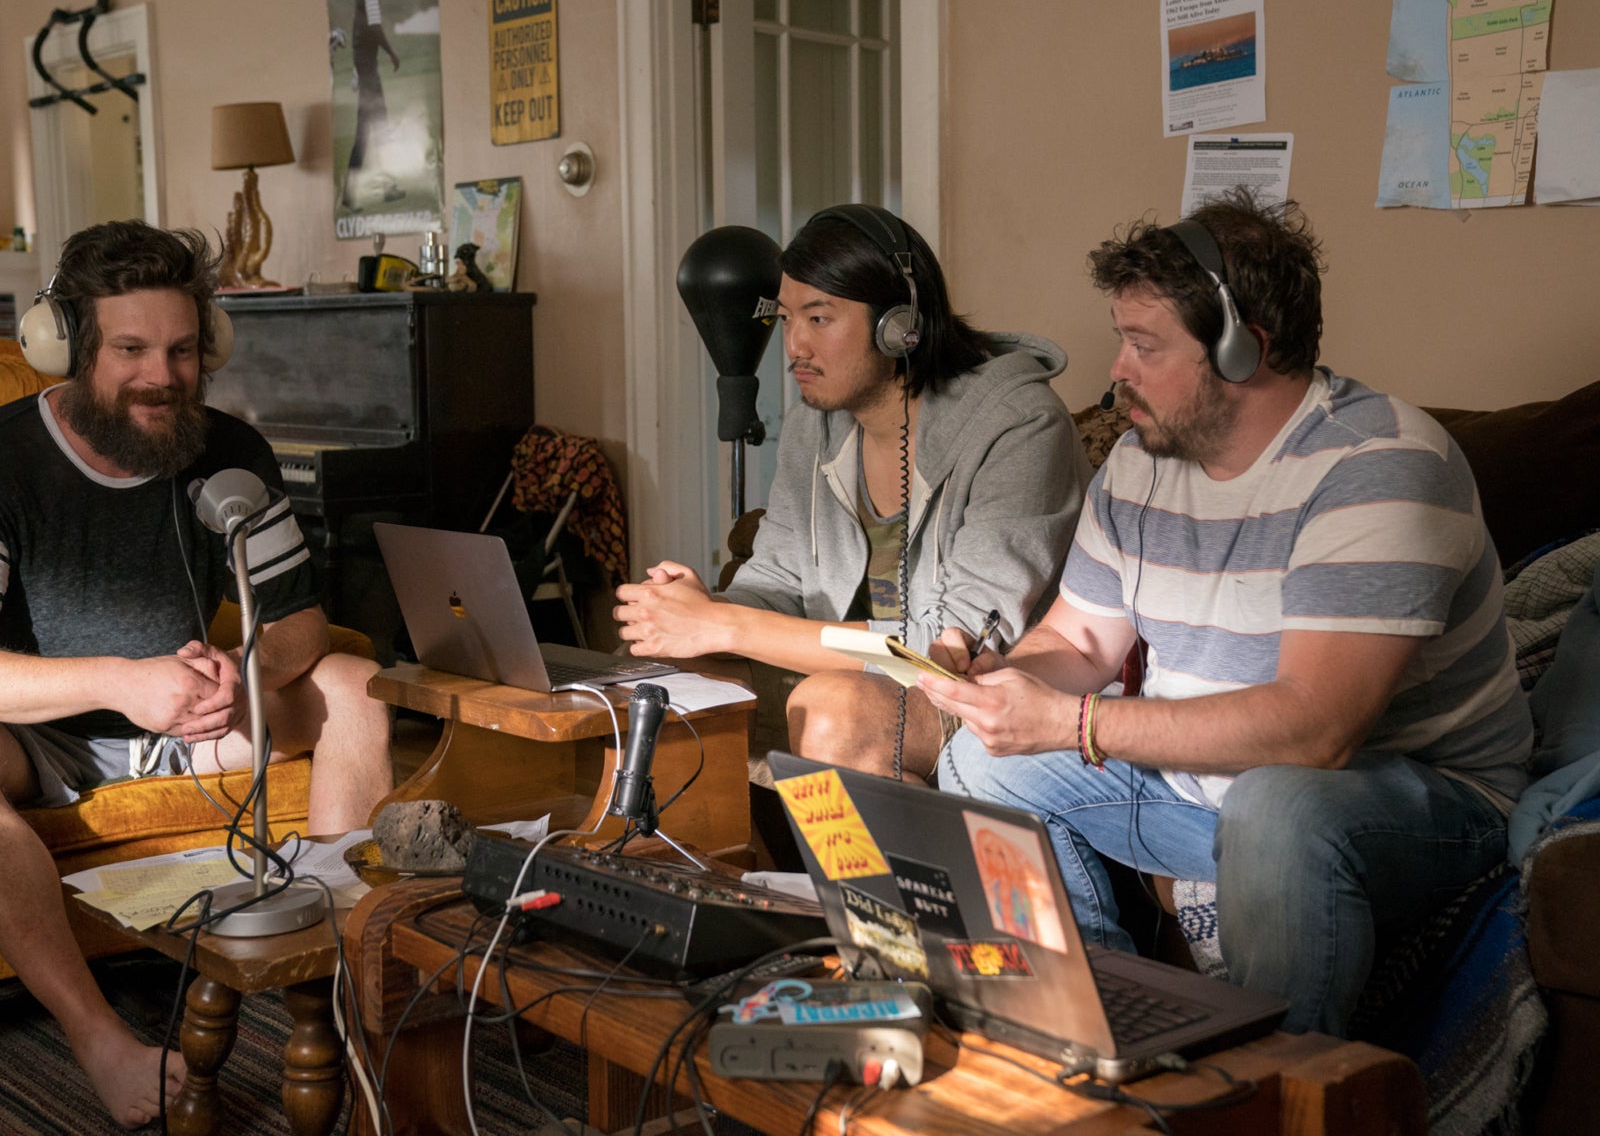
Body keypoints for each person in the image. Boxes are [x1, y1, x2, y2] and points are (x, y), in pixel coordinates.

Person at [917, 188, 1532, 1036]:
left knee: (1278, 809)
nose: (1116, 372)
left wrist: (1075, 722)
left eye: (1143, 345)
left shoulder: (1380, 467)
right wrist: (1000, 682)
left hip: (1409, 803)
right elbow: (1078, 639)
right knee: (981, 764)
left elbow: (1312, 732)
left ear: (1244, 350)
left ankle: (1276, 1090)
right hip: (1200, 787)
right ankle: (1090, 1030)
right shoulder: (1138, 460)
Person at [0, 221, 394, 1128]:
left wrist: (245, 668)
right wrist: (122, 680)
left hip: (194, 723)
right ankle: (98, 1035)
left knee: (353, 680)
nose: (162, 374)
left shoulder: (229, 450)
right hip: (43, 742)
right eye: (131, 348)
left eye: (184, 349)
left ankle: (344, 985)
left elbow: (300, 618)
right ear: (70, 346)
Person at [614, 204, 1085, 780]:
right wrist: (705, 610)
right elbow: (780, 584)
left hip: (982, 693)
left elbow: (947, 646)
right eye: (786, 319)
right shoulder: (816, 424)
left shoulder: (1020, 425)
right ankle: (702, 870)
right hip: (847, 682)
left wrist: (727, 626)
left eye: (819, 319)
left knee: (835, 711)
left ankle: (849, 874)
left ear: (899, 326)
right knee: (653, 678)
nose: (794, 346)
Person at [339, 0, 400, 211]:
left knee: (373, 130)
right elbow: (374, 25)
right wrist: (392, 52)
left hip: (365, 66)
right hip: (368, 69)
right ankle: (358, 193)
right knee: (371, 132)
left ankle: (371, 190)